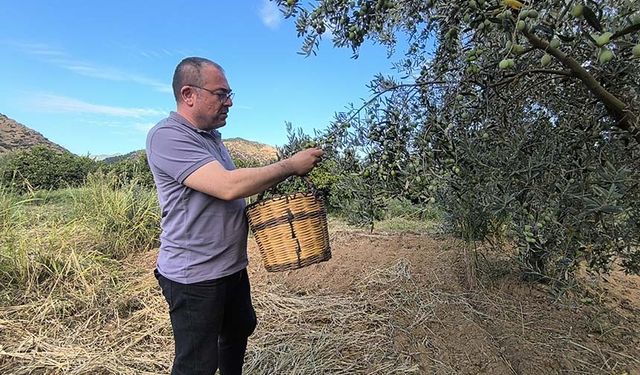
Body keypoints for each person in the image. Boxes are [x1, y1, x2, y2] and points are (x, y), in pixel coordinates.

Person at [146, 57, 324, 375]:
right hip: (195, 276)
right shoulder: (166, 136)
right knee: (196, 364)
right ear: (188, 94)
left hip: (231, 268)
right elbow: (228, 187)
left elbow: (229, 191)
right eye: (221, 93)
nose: (229, 102)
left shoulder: (212, 138)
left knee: (239, 330)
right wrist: (289, 167)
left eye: (230, 94)